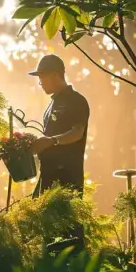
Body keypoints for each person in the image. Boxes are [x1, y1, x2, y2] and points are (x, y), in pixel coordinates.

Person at [28, 54, 90, 252]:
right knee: (44, 227)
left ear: (56, 75)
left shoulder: (77, 100)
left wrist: (52, 140)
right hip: (48, 175)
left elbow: (77, 133)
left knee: (70, 229)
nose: (39, 82)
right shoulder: (50, 104)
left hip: (67, 175)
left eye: (42, 76)